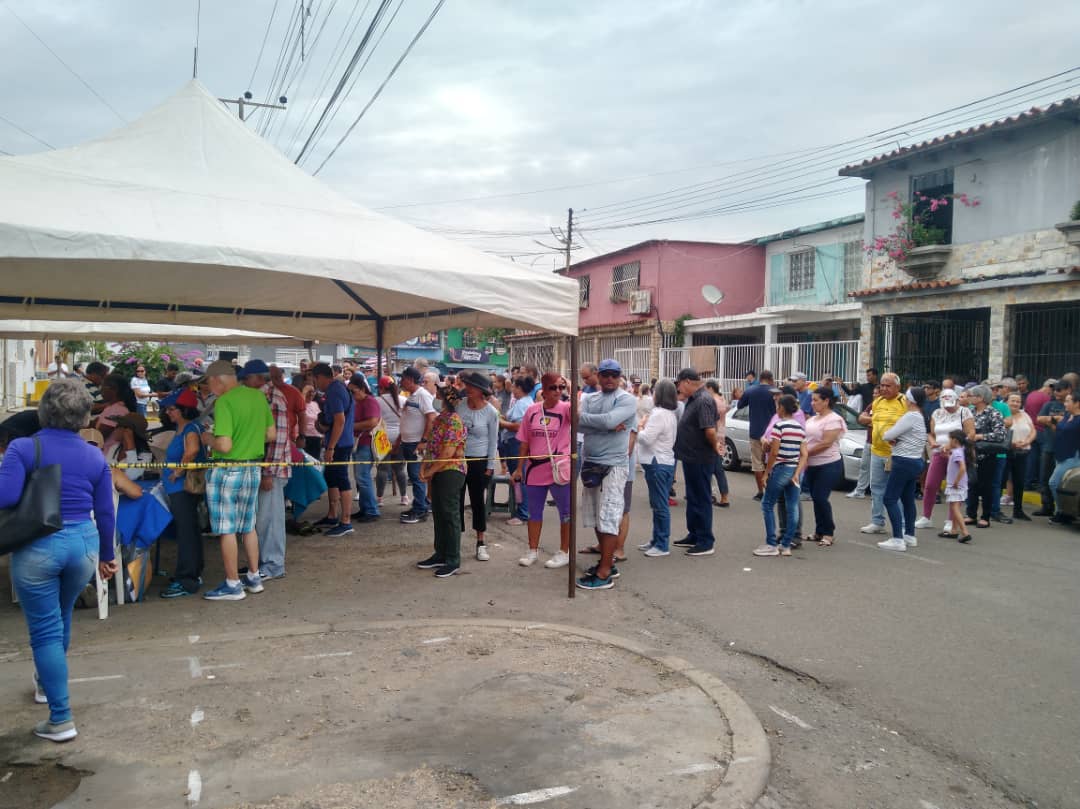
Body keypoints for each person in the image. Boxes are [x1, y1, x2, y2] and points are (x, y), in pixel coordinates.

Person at [0, 379, 117, 742]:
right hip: (83, 545)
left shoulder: (23, 447)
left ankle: (61, 717)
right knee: (61, 618)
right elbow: (105, 512)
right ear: (84, 416)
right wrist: (108, 557)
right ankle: (45, 684)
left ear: (44, 411)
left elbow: (5, 497)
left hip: (39, 547)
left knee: (45, 632)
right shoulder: (93, 454)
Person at [200, 360, 275, 601]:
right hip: (252, 468)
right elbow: (270, 434)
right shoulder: (257, 397)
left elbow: (224, 444)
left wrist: (207, 438)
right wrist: (249, 437)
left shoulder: (225, 402)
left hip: (228, 469)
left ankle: (232, 584)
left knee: (226, 528)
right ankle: (254, 577)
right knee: (248, 526)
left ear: (217, 380)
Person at [576, 359, 637, 590]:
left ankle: (603, 574)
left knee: (610, 516)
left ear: (619, 376)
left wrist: (605, 423)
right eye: (605, 374)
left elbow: (610, 420)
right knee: (594, 516)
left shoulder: (627, 399)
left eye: (614, 374)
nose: (609, 378)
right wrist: (607, 425)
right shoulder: (590, 398)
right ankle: (607, 562)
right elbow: (577, 423)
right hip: (591, 462)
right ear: (599, 376)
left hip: (614, 465)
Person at [515, 372, 573, 568]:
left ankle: (564, 551)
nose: (557, 391)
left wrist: (572, 390)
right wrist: (519, 468)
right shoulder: (532, 410)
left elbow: (579, 419)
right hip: (534, 468)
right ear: (543, 390)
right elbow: (524, 442)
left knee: (565, 512)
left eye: (561, 387)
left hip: (559, 469)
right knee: (534, 512)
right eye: (553, 387)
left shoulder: (566, 408)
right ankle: (532, 550)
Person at [241, 360, 292, 580]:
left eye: (246, 378)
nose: (243, 382)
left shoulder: (273, 398)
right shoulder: (264, 397)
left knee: (269, 519)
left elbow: (278, 439)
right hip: (265, 467)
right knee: (261, 518)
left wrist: (268, 471)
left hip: (271, 469)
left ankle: (272, 565)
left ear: (257, 378)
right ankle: (261, 562)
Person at [415, 383, 468, 577]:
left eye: (437, 394)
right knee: (438, 512)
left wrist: (430, 471)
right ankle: (440, 553)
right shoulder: (439, 419)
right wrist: (424, 468)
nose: (434, 397)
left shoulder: (454, 421)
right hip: (437, 471)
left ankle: (453, 559)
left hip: (451, 472)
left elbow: (448, 452)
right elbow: (431, 447)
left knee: (449, 514)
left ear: (445, 399)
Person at [159, 389, 207, 598]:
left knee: (186, 534)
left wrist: (178, 470)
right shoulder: (185, 428)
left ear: (184, 410)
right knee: (190, 531)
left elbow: (193, 450)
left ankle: (186, 579)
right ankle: (192, 573)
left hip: (182, 488)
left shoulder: (189, 429)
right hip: (180, 488)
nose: (168, 413)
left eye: (172, 409)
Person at [672, 368, 719, 557]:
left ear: (688, 381)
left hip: (700, 457)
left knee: (701, 498)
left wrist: (715, 446)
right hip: (691, 457)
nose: (679, 388)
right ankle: (694, 534)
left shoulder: (704, 400)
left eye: (680, 384)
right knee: (692, 498)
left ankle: (706, 540)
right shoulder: (693, 399)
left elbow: (709, 430)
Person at [753, 394, 807, 557]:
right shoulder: (800, 428)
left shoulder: (779, 426)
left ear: (782, 408)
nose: (776, 409)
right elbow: (804, 453)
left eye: (777, 406)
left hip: (780, 468)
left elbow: (774, 452)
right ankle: (786, 545)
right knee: (792, 507)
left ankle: (771, 544)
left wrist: (766, 473)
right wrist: (797, 473)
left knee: (767, 504)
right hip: (793, 469)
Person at [877, 386, 928, 551]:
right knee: (907, 499)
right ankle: (910, 535)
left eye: (906, 398)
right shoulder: (920, 416)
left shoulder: (910, 416)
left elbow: (887, 435)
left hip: (903, 461)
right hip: (914, 461)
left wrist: (893, 437)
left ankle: (897, 538)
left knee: (889, 498)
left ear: (910, 400)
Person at [917, 388, 975, 531]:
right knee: (930, 485)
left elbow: (971, 433)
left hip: (956, 455)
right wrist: (932, 442)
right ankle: (926, 517)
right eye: (945, 403)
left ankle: (951, 520)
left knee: (953, 488)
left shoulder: (964, 412)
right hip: (939, 452)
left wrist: (953, 446)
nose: (948, 407)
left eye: (950, 403)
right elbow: (931, 433)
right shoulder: (937, 413)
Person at [456, 372, 499, 561]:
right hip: (458, 459)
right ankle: (454, 540)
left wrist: (490, 465)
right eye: (467, 385)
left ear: (481, 391)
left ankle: (480, 542)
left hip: (479, 461)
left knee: (477, 502)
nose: (468, 389)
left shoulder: (491, 412)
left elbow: (493, 441)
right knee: (455, 500)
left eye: (472, 387)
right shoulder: (460, 406)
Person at [859, 372, 906, 535]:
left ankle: (902, 525)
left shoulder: (904, 402)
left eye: (888, 385)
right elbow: (863, 417)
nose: (884, 389)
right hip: (876, 450)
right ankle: (877, 521)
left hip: (895, 453)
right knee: (876, 488)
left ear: (898, 387)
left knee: (895, 491)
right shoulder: (877, 401)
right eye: (882, 385)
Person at [312, 362, 355, 537]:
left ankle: (346, 521)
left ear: (320, 377)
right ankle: (332, 515)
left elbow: (340, 420)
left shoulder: (335, 391)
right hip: (337, 441)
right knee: (331, 478)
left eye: (315, 380)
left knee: (342, 479)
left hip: (340, 443)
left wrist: (331, 447)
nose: (315, 383)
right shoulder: (334, 389)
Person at [636, 379, 678, 557]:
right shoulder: (668, 413)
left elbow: (646, 438)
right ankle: (656, 540)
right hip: (662, 462)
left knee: (660, 505)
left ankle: (661, 544)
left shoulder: (659, 414)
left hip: (657, 462)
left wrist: (639, 427)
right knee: (657, 504)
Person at [803, 387, 847, 546]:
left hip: (829, 464)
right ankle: (819, 531)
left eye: (816, 400)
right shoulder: (813, 419)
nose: (812, 403)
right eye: (812, 400)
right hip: (812, 465)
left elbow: (826, 443)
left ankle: (829, 532)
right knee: (815, 497)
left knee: (821, 497)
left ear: (826, 401)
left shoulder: (833, 419)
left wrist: (806, 453)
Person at [965, 385, 1007, 530]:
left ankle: (985, 517)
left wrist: (980, 436)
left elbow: (1000, 434)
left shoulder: (993, 413)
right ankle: (971, 514)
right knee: (972, 485)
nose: (969, 398)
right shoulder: (969, 412)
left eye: (972, 395)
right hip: (971, 453)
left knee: (986, 486)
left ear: (981, 398)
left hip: (987, 454)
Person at [399, 366, 437, 524]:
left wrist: (423, 441)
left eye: (403, 378)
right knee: (414, 475)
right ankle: (418, 504)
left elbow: (431, 417)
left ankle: (420, 510)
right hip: (408, 442)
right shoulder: (412, 396)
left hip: (417, 444)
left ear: (410, 380)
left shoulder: (422, 395)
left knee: (417, 476)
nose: (401, 381)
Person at [499, 377, 534, 526]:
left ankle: (522, 513)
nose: (512, 389)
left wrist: (501, 423)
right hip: (514, 443)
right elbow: (508, 417)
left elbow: (518, 426)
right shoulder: (522, 402)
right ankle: (522, 509)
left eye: (514, 386)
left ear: (519, 387)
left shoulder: (523, 404)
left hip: (516, 443)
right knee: (518, 479)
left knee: (519, 478)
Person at [347, 375, 382, 524]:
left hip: (365, 443)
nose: (351, 395)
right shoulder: (358, 402)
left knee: (363, 477)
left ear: (362, 389)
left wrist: (350, 426)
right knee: (360, 477)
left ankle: (371, 510)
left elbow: (372, 422)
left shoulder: (369, 402)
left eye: (353, 392)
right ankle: (365, 508)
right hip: (359, 443)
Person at [1035, 380, 1072, 517]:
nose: (1056, 392)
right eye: (1055, 389)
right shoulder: (1049, 404)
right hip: (1048, 446)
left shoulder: (1072, 405)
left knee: (1062, 479)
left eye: (1059, 389)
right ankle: (1046, 506)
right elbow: (1039, 419)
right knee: (1045, 477)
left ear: (1068, 389)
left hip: (1066, 449)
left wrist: (1051, 420)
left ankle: (1063, 509)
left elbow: (1068, 422)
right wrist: (1056, 420)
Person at [741, 370, 779, 499]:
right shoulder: (776, 392)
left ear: (760, 378)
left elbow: (740, 405)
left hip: (756, 432)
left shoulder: (751, 390)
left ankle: (761, 492)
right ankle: (773, 491)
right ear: (770, 379)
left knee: (757, 463)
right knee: (772, 462)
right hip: (774, 433)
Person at [1047, 392, 1080, 524]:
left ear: (1077, 403)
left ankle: (1063, 512)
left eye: (1068, 401)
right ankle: (1065, 513)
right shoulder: (1067, 416)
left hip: (1073, 456)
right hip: (1061, 454)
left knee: (1054, 482)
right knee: (1064, 485)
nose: (1065, 404)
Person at [375, 376, 409, 507]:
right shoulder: (404, 400)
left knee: (382, 469)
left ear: (382, 388)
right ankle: (404, 497)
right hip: (400, 437)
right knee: (400, 469)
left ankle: (379, 498)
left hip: (382, 437)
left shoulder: (377, 400)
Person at [938, 430, 974, 543]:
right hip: (960, 484)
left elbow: (962, 468)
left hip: (956, 484)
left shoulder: (957, 452)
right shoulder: (960, 450)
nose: (948, 442)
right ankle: (954, 530)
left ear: (955, 441)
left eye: (950, 440)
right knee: (955, 507)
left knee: (954, 508)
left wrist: (956, 482)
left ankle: (965, 532)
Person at [1006, 392, 1036, 521]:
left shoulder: (1025, 415)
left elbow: (1033, 430)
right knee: (1000, 481)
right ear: (1007, 401)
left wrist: (1027, 441)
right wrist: (1011, 444)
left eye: (1018, 401)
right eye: (1012, 400)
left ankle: (1018, 510)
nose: (1015, 403)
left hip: (1023, 452)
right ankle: (992, 510)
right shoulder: (1003, 415)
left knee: (1019, 482)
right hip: (1006, 451)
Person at [704, 379, 730, 507]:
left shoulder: (712, 401)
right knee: (717, 468)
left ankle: (720, 496)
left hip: (714, 436)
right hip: (721, 435)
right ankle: (722, 495)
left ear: (710, 388)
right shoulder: (722, 399)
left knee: (714, 468)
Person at [95, 373, 137, 450]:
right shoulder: (114, 407)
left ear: (114, 389)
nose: (100, 390)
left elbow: (98, 438)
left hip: (108, 456)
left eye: (103, 386)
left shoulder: (116, 410)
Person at [300, 385, 323, 459]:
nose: (311, 394)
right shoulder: (301, 403)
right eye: (309, 392)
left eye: (313, 392)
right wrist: (304, 393)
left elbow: (320, 420)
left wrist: (323, 435)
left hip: (317, 438)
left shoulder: (315, 404)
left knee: (315, 463)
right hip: (305, 437)